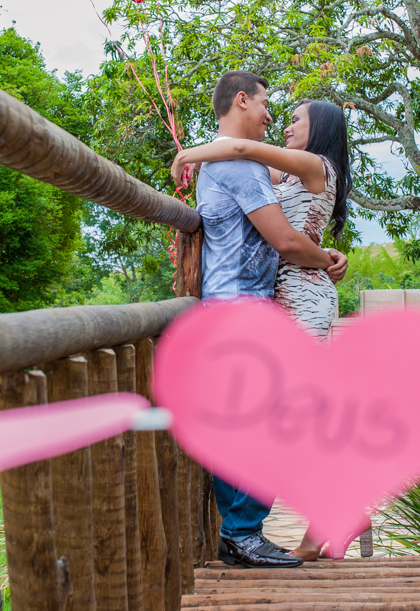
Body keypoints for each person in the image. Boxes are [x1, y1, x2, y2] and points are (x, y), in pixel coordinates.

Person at [173, 98, 352, 560]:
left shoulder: (315, 163)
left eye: (296, 119)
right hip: (287, 294)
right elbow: (245, 171)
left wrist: (188, 154)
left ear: (320, 129)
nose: (285, 124)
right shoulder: (294, 173)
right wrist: (329, 254)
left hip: (302, 298)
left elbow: (241, 152)